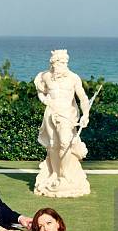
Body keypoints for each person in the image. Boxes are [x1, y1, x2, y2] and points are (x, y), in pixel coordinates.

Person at [33, 49, 91, 197]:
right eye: (59, 62)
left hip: (66, 114)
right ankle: (54, 173)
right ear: (53, 63)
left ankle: (65, 175)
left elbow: (83, 98)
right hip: (50, 112)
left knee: (65, 143)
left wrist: (86, 115)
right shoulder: (45, 77)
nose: (62, 65)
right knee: (53, 145)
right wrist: (44, 99)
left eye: (64, 62)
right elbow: (41, 90)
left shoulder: (73, 78)